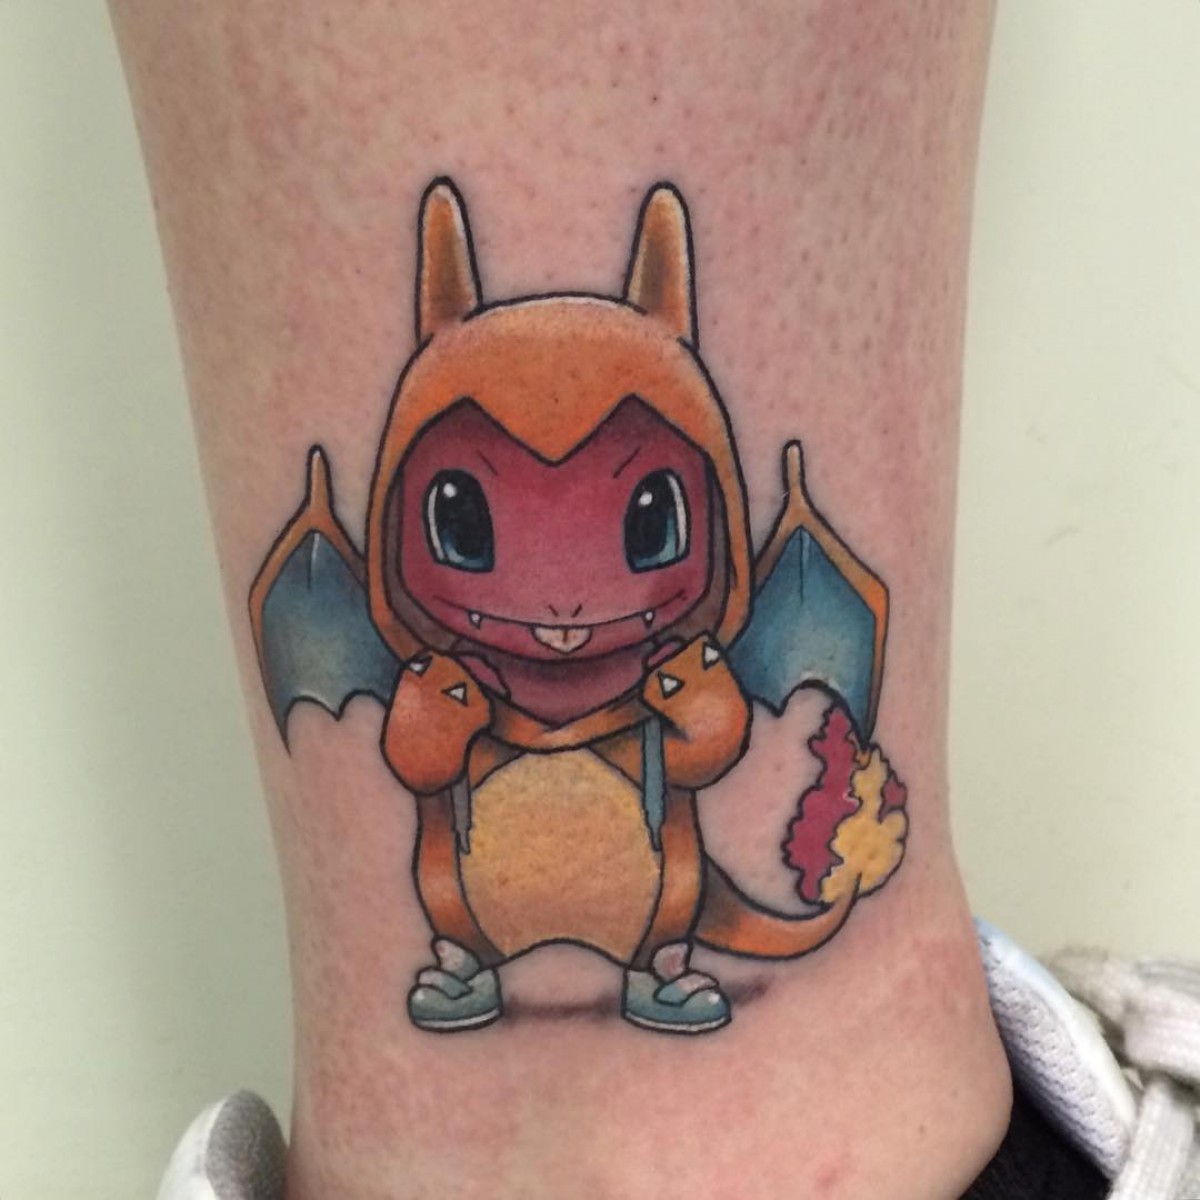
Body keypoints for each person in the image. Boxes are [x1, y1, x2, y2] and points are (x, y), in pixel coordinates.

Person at [106, 3, 1197, 1197]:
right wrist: (435, 721)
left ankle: (707, 1067)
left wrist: (702, 712)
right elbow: (418, 762)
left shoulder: (696, 659)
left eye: (647, 523)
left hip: (653, 898)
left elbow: (707, 748)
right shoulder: (425, 662)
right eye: (463, 522)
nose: (565, 613)